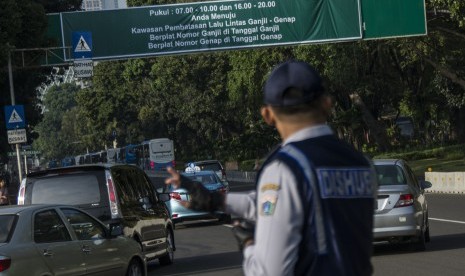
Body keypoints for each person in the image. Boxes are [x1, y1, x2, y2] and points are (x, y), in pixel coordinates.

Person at [165, 60, 377, 276]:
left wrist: (249, 245)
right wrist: (216, 201)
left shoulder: (284, 169)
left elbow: (268, 271)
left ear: (267, 115)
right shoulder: (361, 163)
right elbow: (285, 202)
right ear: (327, 103)